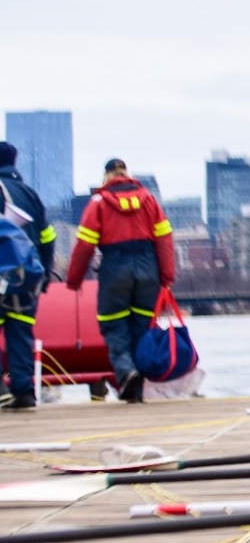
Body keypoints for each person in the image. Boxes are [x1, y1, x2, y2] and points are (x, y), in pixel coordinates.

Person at [65, 159, 174, 405]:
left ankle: (126, 372)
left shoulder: (99, 203)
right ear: (127, 174)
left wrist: (74, 280)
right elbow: (165, 239)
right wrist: (167, 277)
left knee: (114, 325)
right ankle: (135, 387)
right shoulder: (149, 200)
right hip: (148, 270)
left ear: (106, 177)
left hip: (115, 268)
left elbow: (85, 245)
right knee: (141, 328)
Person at [0, 142, 57, 411]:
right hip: (26, 279)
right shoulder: (29, 195)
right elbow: (48, 237)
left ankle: (0, 391)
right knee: (21, 332)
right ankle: (24, 392)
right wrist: (44, 274)